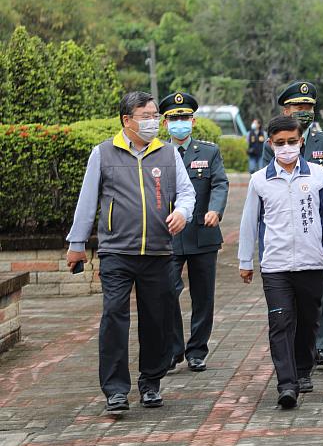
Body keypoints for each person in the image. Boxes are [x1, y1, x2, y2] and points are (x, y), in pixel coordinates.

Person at [66, 91, 195, 413]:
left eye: (155, 115)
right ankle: (115, 390)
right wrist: (77, 244)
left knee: (156, 320)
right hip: (116, 252)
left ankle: (151, 382)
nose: (153, 121)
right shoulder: (104, 153)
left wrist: (182, 212)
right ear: (127, 120)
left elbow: (187, 193)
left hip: (158, 252)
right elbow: (87, 201)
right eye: (146, 116)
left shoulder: (167, 154)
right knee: (114, 317)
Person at [238, 115, 323, 409]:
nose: (287, 147)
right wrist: (245, 260)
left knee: (307, 322)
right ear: (271, 144)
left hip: (311, 262)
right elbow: (249, 222)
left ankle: (303, 370)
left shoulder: (316, 175)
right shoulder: (260, 180)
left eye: (292, 141)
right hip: (275, 266)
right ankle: (286, 384)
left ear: (301, 142)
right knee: (280, 321)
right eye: (280, 143)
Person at [262, 81, 323, 367]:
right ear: (286, 109)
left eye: (308, 106)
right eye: (298, 107)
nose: (304, 111)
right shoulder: (272, 143)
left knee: (321, 287)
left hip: (316, 227)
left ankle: (322, 345)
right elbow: (264, 183)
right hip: (282, 228)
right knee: (287, 291)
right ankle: (297, 347)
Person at [160, 92, 229, 373]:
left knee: (203, 296)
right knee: (167, 292)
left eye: (184, 118)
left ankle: (197, 350)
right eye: (174, 118)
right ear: (165, 123)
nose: (180, 123)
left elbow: (220, 184)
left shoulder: (208, 151)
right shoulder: (157, 152)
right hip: (168, 236)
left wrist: (216, 210)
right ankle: (174, 349)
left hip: (203, 232)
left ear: (193, 120)